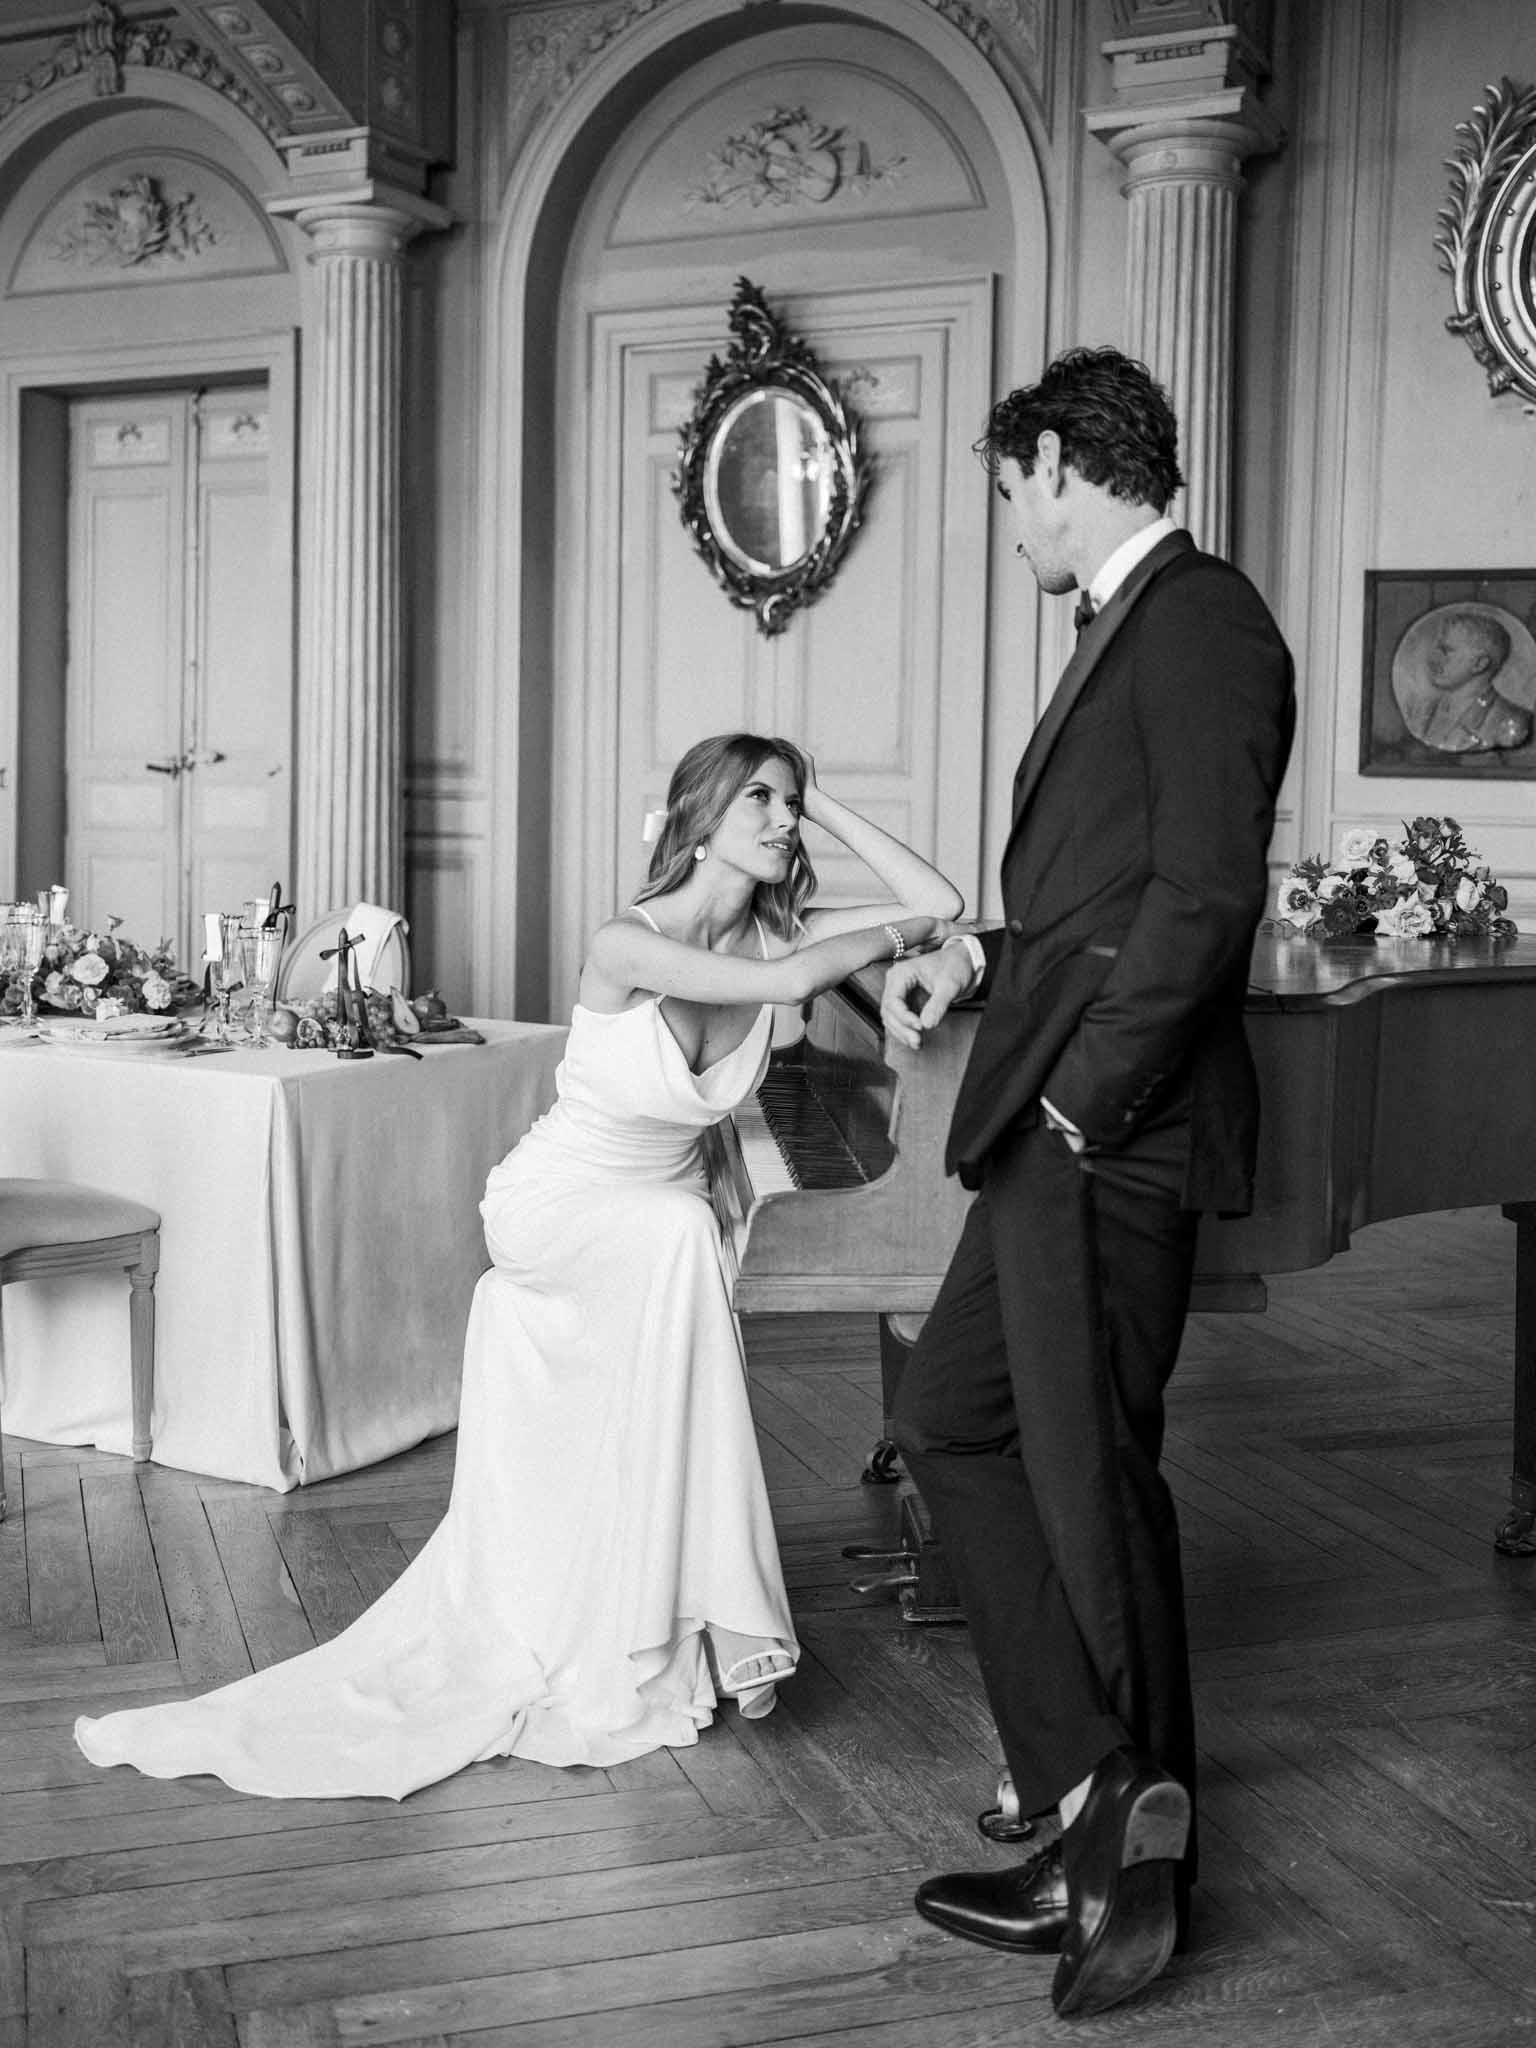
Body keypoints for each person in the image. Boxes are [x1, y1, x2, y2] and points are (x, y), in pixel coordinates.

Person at [74, 733, 961, 1800]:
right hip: (557, 1201)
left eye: (790, 804)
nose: (780, 820)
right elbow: (788, 978)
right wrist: (872, 913)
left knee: (679, 1229)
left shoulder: (787, 920)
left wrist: (826, 809)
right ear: (700, 816)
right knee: (682, 1235)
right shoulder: (629, 942)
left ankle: (667, 1611)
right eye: (759, 801)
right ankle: (692, 1619)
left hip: (652, 1205)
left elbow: (942, 897)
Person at [879, 348, 1295, 2019]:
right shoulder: (1149, 623)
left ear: (1057, 460)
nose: (1010, 521)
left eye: (1006, 488)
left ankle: (1124, 1872)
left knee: (1082, 1473)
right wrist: (975, 961)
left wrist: (1073, 1103)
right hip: (1066, 1114)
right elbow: (1102, 902)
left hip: (1103, 1134)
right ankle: (1099, 1799)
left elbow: (1203, 899)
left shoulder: (1201, 620)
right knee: (963, 1426)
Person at [1392, 605, 1533, 753]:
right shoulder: (1420, 711)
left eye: (1446, 651)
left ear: (1480, 664)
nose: (1433, 659)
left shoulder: (1510, 721)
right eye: (1436, 649)